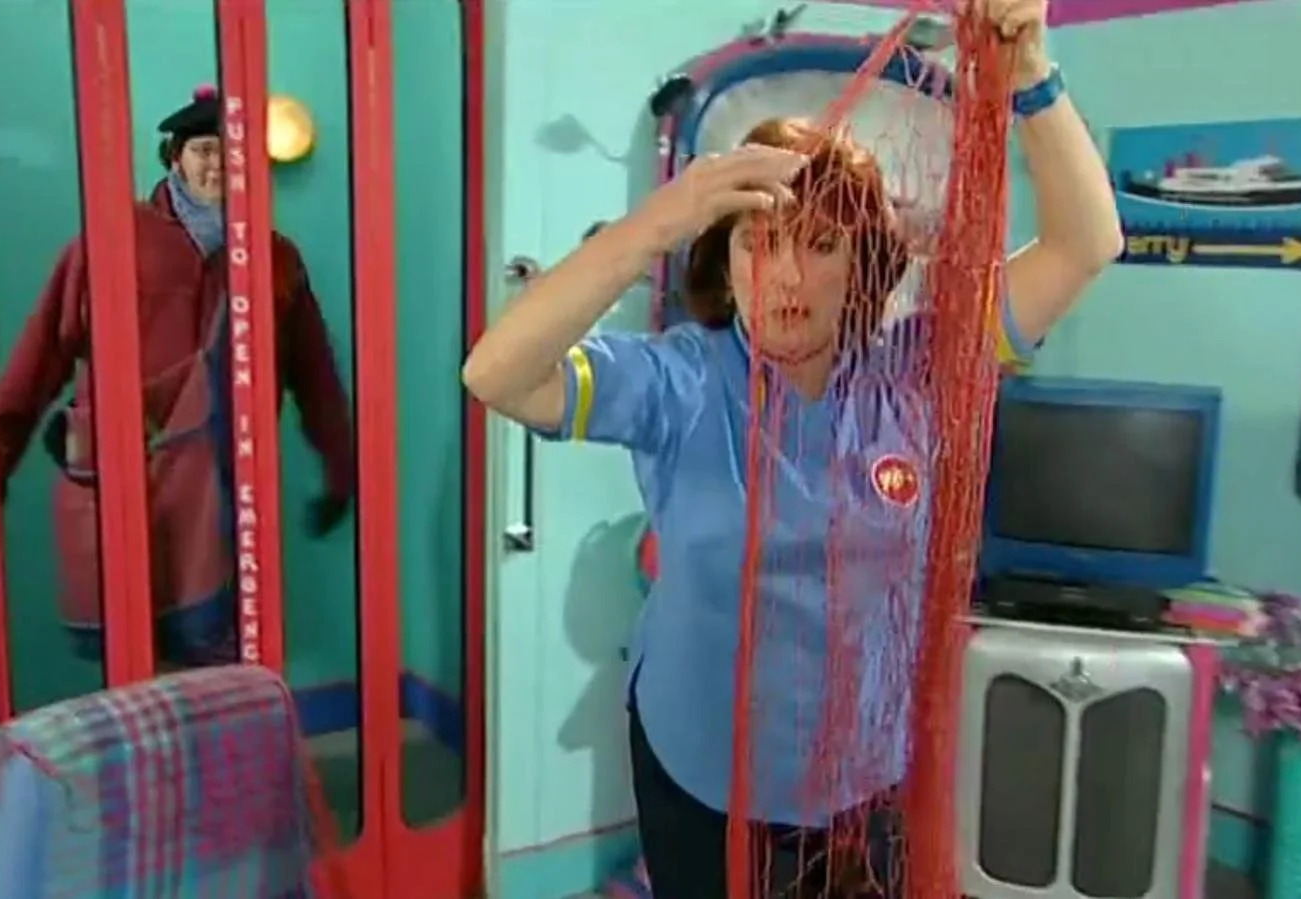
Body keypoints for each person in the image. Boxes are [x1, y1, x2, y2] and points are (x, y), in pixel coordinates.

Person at [462, 1, 1122, 896]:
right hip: (699, 762)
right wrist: (655, 225)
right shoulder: (680, 381)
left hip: (864, 773)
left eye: (821, 244)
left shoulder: (919, 371)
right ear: (725, 261)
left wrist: (1031, 74)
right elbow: (496, 373)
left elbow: (1088, 243)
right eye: (759, 241)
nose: (787, 276)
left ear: (865, 263)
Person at [0, 86, 355, 668]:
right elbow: (39, 357)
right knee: (134, 651)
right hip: (126, 478)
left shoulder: (275, 258)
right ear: (175, 157)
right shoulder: (110, 244)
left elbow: (314, 373)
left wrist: (341, 467)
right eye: (205, 150)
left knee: (223, 651)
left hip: (225, 484)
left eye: (234, 152)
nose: (219, 165)